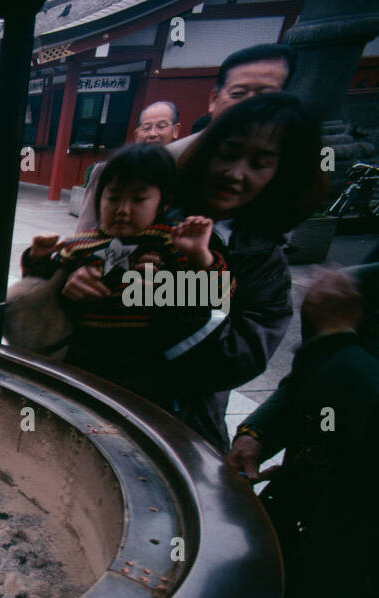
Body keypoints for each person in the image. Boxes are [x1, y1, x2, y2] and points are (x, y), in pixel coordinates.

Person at [66, 94, 327, 450]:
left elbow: (233, 362)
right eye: (229, 152)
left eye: (260, 163)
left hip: (175, 425)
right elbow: (87, 272)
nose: (235, 173)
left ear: (283, 174)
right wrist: (71, 285)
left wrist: (175, 286)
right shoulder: (155, 209)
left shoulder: (265, 264)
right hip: (89, 399)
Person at [225, 266, 379, 598]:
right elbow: (305, 387)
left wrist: (333, 336)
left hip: (349, 557)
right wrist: (256, 433)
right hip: (295, 529)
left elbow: (345, 375)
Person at [23, 144, 228, 410]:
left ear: (164, 202)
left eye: (138, 199)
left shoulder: (172, 244)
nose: (122, 209)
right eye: (113, 198)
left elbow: (219, 296)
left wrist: (201, 258)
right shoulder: (82, 244)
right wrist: (38, 256)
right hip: (83, 351)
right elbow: (44, 283)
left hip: (144, 361)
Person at [77, 43, 295, 231]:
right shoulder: (160, 162)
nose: (251, 105)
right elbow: (86, 240)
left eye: (266, 95)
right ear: (214, 99)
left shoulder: (286, 170)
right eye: (238, 94)